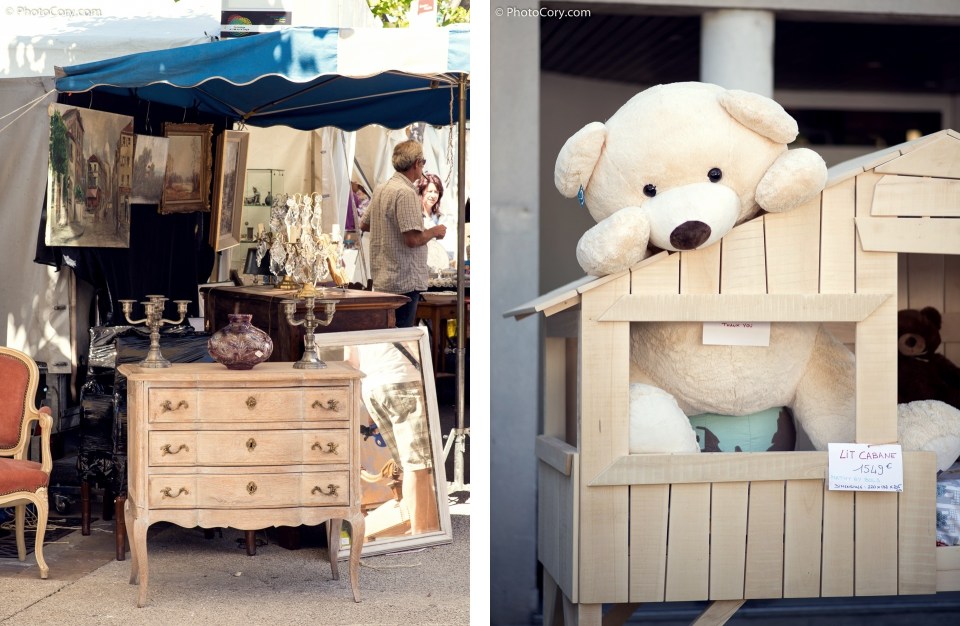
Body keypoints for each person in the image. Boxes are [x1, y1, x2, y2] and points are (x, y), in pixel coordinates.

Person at [347, 340, 440, 535]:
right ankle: (420, 531)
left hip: (373, 387)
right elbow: (412, 339)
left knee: (413, 465)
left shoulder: (353, 311)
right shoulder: (400, 309)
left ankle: (430, 527)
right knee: (418, 465)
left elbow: (351, 362)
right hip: (403, 380)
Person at [360, 140, 446, 327]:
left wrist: (388, 227)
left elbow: (364, 224)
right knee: (401, 338)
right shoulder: (406, 193)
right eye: (422, 162)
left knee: (387, 336)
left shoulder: (381, 188)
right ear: (417, 163)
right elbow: (413, 240)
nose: (422, 167)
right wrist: (434, 231)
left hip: (383, 277)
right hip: (403, 280)